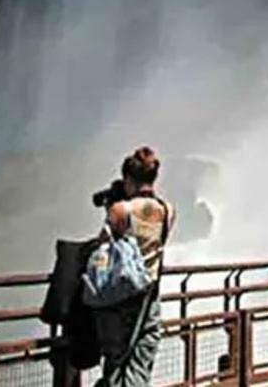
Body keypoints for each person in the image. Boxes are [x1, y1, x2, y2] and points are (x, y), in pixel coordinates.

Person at [96, 147, 176, 387]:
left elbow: (103, 250)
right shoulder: (168, 210)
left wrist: (112, 206)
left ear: (128, 179)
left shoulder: (120, 211)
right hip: (150, 298)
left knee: (115, 365)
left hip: (119, 301)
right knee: (140, 363)